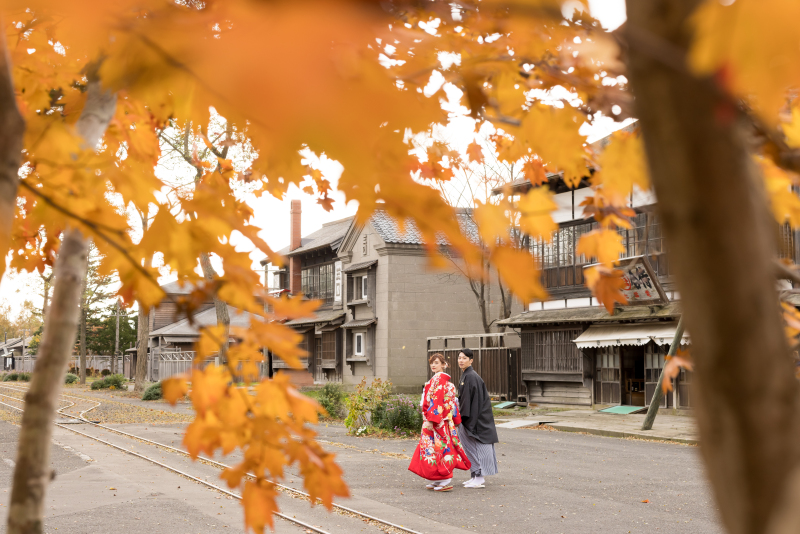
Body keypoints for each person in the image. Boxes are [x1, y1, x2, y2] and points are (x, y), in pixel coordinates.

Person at [408, 353, 471, 492]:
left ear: (444, 365)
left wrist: (431, 419)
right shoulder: (440, 381)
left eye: (437, 362)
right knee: (431, 448)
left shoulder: (440, 380)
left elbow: (437, 402)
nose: (433, 365)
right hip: (438, 419)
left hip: (438, 421)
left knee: (441, 448)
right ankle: (436, 478)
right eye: (432, 362)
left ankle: (445, 478)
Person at [457, 348, 499, 489]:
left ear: (471, 360)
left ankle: (479, 477)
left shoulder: (471, 376)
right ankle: (475, 475)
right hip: (470, 417)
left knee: (477, 447)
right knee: (468, 447)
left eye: (464, 358)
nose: (461, 360)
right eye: (459, 358)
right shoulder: (466, 375)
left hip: (476, 418)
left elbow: (470, 401)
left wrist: (465, 419)